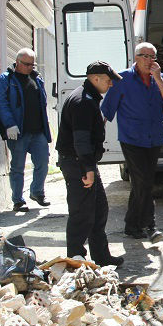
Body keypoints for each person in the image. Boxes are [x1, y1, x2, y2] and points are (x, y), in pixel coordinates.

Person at [101, 43, 163, 244]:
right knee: (143, 181)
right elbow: (107, 110)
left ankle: (131, 225)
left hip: (153, 137)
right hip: (132, 138)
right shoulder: (122, 79)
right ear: (136, 57)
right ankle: (151, 226)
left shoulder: (159, 79)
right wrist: (95, 137)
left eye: (152, 56)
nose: (149, 60)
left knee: (142, 182)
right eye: (144, 56)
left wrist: (159, 79)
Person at [56, 61, 125, 267]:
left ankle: (101, 256)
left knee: (98, 209)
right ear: (95, 78)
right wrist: (88, 168)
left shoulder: (88, 97)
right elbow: (81, 140)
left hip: (82, 161)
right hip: (78, 162)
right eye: (107, 80)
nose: (111, 84)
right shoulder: (83, 101)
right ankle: (75, 259)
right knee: (81, 213)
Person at [0, 48, 52, 212]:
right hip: (18, 132)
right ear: (17, 62)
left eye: (32, 64)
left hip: (38, 131)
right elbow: (1, 103)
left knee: (43, 162)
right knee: (18, 167)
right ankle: (18, 200)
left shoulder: (36, 78)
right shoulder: (6, 79)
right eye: (27, 64)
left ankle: (37, 192)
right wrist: (9, 124)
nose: (30, 68)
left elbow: (42, 103)